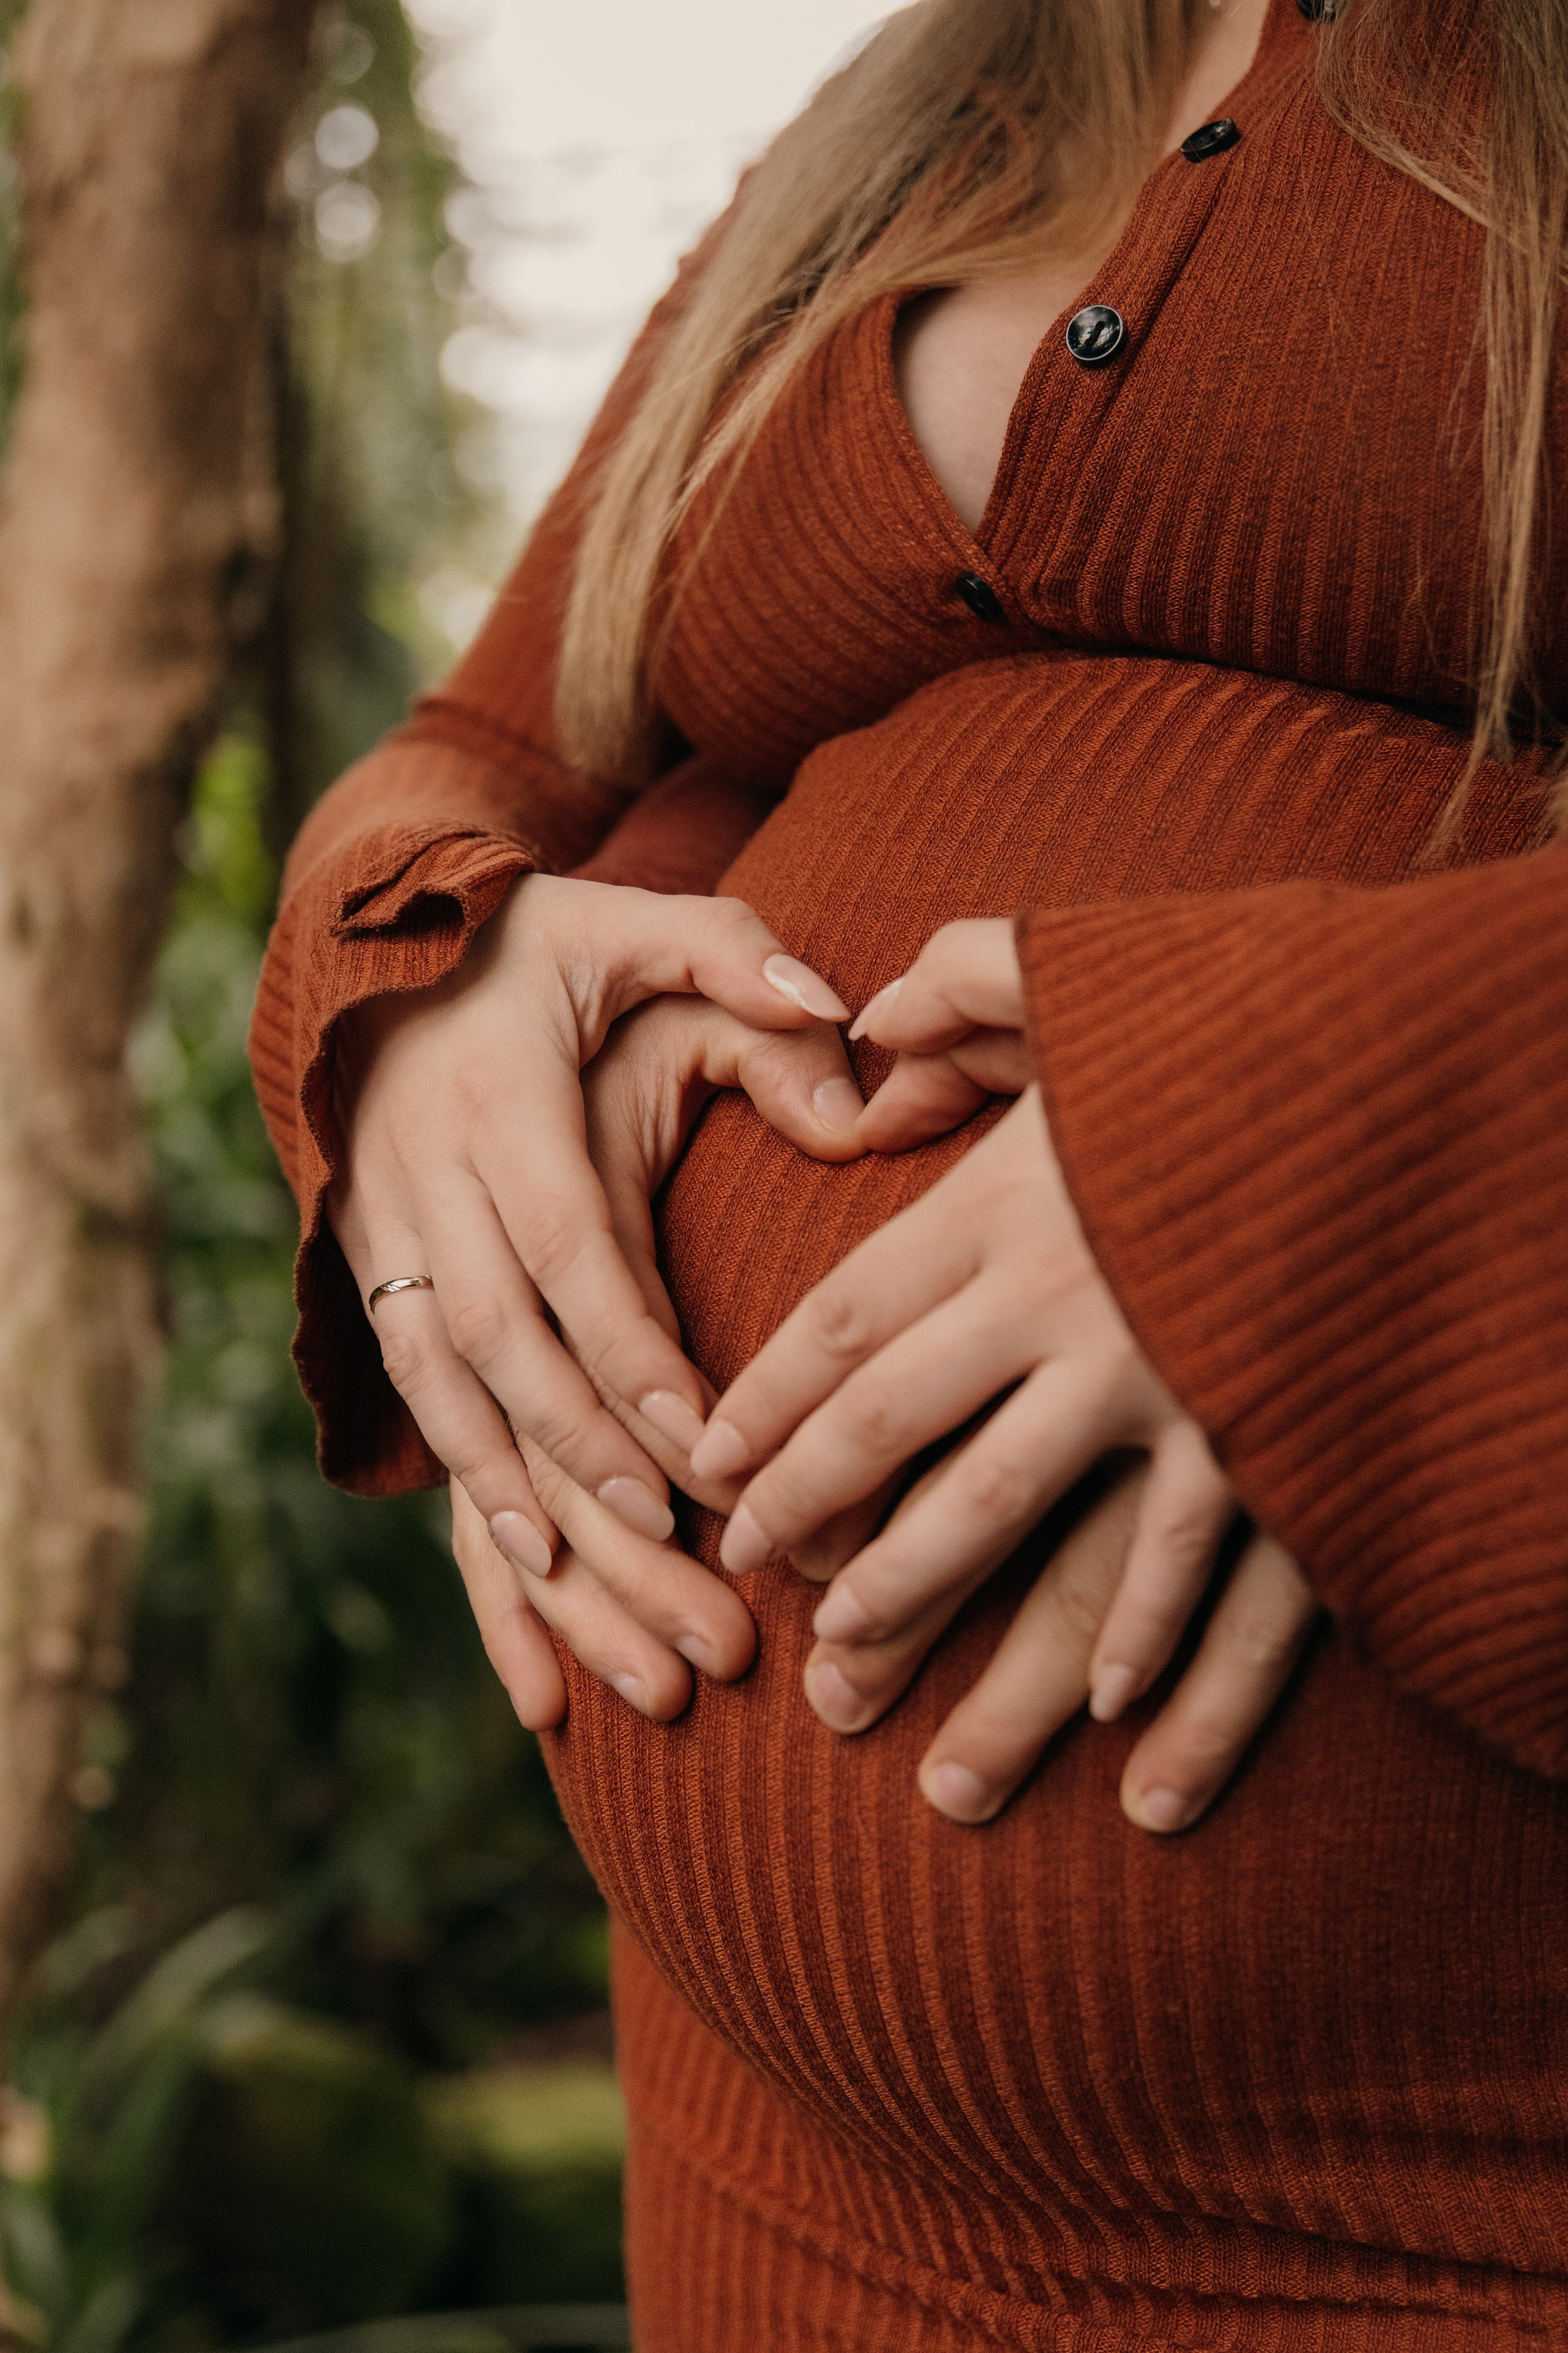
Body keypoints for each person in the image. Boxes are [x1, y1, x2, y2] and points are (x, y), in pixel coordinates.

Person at [251, 0, 1568, 2342]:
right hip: (766, 2172)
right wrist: (425, 980)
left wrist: (1324, 1142)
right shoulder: (918, 119)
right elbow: (481, 739)